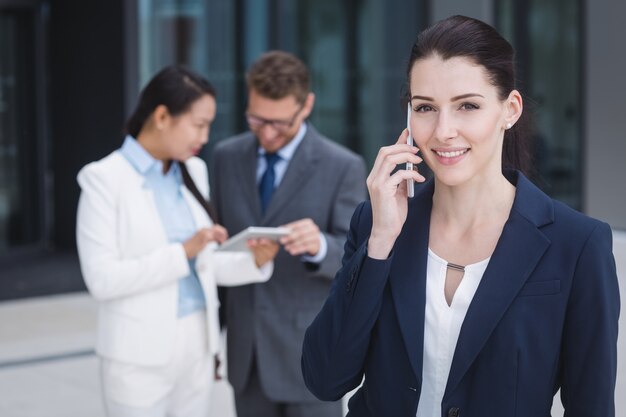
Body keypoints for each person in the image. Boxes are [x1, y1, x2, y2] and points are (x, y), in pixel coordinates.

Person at [302, 15, 620, 417]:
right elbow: (325, 379)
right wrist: (380, 243)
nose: (443, 131)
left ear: (510, 109)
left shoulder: (577, 244)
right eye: (425, 108)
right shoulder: (376, 224)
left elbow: (591, 407)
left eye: (467, 105)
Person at [76, 65, 279, 417]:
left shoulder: (193, 171)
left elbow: (205, 264)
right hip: (137, 360)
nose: (205, 135)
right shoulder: (103, 180)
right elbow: (102, 279)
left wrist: (255, 261)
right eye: (199, 124)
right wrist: (182, 251)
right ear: (161, 116)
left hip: (197, 350)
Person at [210, 50, 367, 417]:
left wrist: (319, 247)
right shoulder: (226, 157)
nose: (266, 133)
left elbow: (358, 257)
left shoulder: (342, 166)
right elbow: (216, 249)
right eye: (256, 119)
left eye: (279, 123)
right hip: (245, 356)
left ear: (306, 105)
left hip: (308, 356)